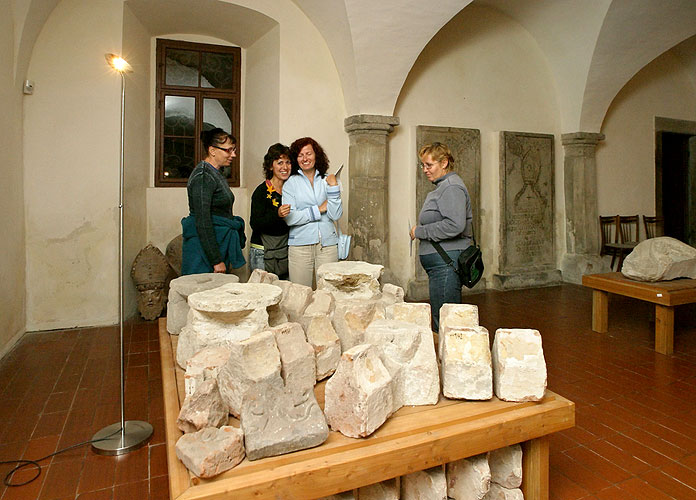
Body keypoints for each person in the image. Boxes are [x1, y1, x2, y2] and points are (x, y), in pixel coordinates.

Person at [410, 142, 473, 331]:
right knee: (442, 317)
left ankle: (448, 359)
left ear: (444, 162)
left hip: (447, 263)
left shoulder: (452, 187)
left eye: (429, 165)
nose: (425, 170)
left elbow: (455, 225)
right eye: (423, 165)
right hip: (442, 264)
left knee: (447, 321)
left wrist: (419, 232)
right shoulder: (443, 186)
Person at [181, 128, 246, 275]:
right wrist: (216, 260)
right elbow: (202, 220)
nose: (233, 155)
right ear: (212, 150)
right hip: (203, 250)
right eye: (229, 150)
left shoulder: (215, 173)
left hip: (219, 242)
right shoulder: (203, 176)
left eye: (234, 150)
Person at [282, 137, 342, 287]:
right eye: (300, 155)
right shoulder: (290, 183)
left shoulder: (328, 180)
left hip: (328, 245)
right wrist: (319, 209)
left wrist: (334, 187)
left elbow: (335, 215)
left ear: (316, 155)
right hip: (300, 246)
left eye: (308, 154)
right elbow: (291, 218)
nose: (305, 158)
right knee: (300, 294)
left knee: (329, 292)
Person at [249, 143, 292, 279]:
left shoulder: (291, 190)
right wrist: (277, 214)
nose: (285, 167)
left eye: (288, 162)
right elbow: (255, 223)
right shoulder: (261, 191)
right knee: (262, 292)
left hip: (284, 250)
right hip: (262, 251)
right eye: (279, 163)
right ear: (270, 166)